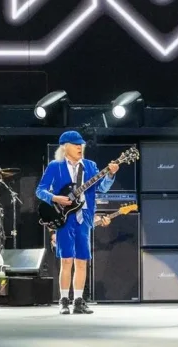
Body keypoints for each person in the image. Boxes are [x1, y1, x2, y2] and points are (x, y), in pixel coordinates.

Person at [36, 130, 118, 315]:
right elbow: (40, 191)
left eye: (81, 144)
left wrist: (110, 175)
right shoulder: (55, 166)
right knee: (66, 260)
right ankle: (64, 300)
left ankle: (79, 301)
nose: (80, 146)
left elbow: (102, 188)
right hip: (65, 217)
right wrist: (55, 198)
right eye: (75, 144)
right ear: (65, 147)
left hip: (85, 216)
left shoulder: (90, 166)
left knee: (82, 260)